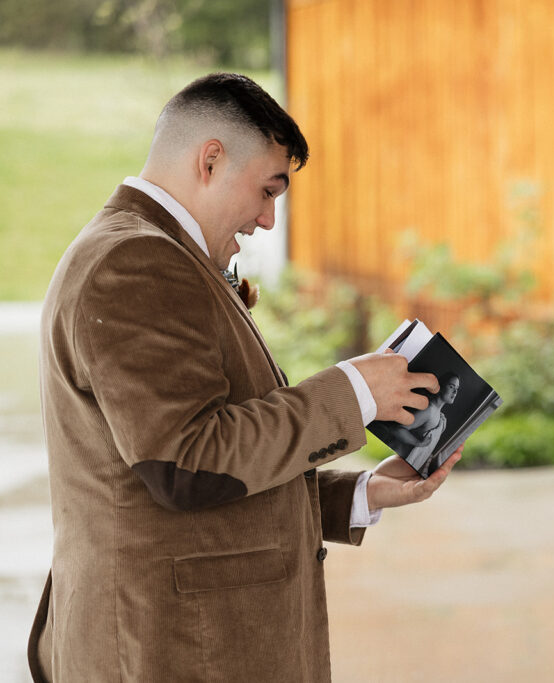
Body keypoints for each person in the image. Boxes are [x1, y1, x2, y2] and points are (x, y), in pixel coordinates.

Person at [27, 72, 463, 682]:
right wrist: (355, 392)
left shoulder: (161, 251)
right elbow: (186, 462)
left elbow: (204, 458)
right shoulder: (135, 262)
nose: (267, 219)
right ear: (210, 160)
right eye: (267, 189)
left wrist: (357, 495)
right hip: (166, 649)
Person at [383, 372, 460, 476]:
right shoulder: (429, 411)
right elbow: (397, 429)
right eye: (451, 386)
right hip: (400, 462)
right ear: (440, 386)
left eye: (457, 388)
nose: (455, 391)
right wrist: (418, 443)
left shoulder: (439, 416)